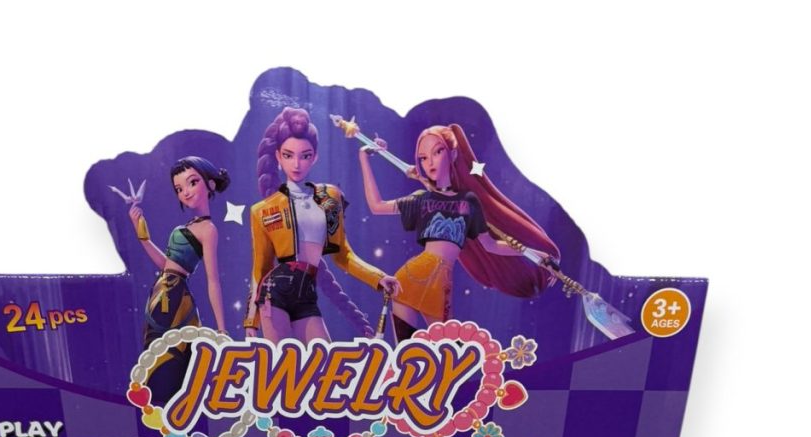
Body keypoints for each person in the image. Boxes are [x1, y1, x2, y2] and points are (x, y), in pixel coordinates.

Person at [356, 124, 559, 339]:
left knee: (448, 350)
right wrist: (364, 158)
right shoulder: (422, 199)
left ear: (453, 154)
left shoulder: (468, 202)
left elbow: (491, 245)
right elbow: (377, 206)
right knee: (407, 352)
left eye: (437, 152)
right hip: (410, 278)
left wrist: (539, 256)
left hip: (441, 285)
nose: (430, 162)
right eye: (423, 158)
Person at [245, 106, 398, 342]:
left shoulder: (330, 197)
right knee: (281, 362)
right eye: (288, 155)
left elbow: (343, 256)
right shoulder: (262, 210)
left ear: (315, 157)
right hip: (273, 292)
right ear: (278, 157)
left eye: (305, 156)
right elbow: (260, 268)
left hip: (307, 293)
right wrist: (251, 320)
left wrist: (378, 277)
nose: (297, 164)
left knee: (323, 358)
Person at [117, 156, 229, 399]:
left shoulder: (208, 230)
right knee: (157, 350)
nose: (185, 192)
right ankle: (160, 403)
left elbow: (213, 280)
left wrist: (222, 328)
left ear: (210, 184)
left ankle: (170, 402)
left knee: (170, 352)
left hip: (174, 295)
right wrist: (141, 233)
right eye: (179, 188)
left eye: (192, 183)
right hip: (163, 290)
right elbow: (165, 264)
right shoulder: (191, 225)